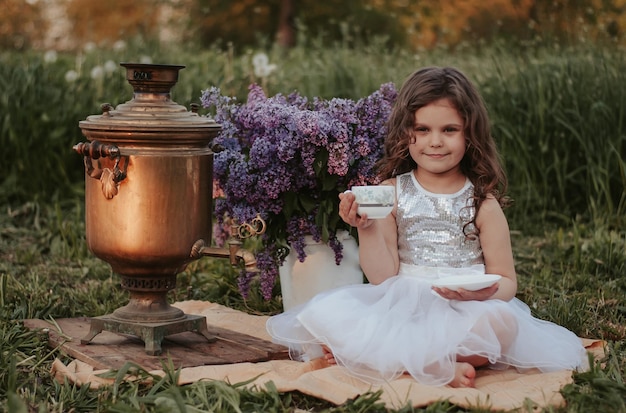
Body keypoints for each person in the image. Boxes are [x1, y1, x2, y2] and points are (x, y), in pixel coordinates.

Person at [266, 66, 587, 388]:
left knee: (500, 325)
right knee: (333, 313)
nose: (435, 142)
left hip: (469, 310)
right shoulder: (391, 192)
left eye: (449, 130)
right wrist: (366, 227)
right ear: (406, 132)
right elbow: (381, 277)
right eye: (422, 129)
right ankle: (438, 364)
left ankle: (394, 359)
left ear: (470, 134)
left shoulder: (482, 203)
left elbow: (506, 281)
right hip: (405, 306)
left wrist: (483, 295)